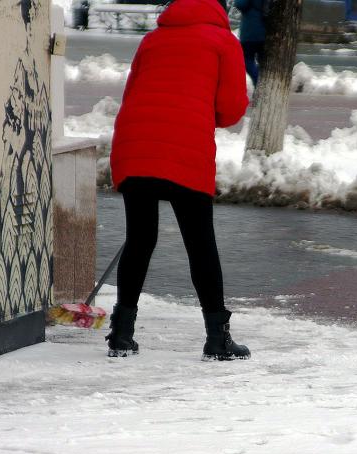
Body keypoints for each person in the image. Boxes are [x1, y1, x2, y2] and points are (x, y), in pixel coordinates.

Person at [107, 0, 250, 361]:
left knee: (139, 238)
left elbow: (133, 94)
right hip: (185, 145)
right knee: (200, 243)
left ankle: (121, 334)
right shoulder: (223, 41)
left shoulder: (153, 39)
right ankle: (217, 339)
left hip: (135, 142)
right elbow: (232, 108)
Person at [234, 0, 266, 86]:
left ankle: (258, 82)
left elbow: (240, 4)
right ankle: (261, 83)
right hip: (264, 31)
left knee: (245, 60)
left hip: (250, 32)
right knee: (262, 62)